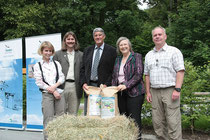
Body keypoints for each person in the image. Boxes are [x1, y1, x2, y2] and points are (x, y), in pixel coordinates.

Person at [144, 26, 185, 140]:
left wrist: (177, 89)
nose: (157, 37)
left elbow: (180, 71)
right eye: (155, 35)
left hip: (170, 90)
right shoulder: (149, 55)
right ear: (152, 38)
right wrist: (148, 92)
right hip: (155, 91)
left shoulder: (174, 51)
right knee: (158, 123)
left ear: (165, 36)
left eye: (159, 34)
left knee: (173, 122)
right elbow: (147, 75)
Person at [112, 37, 145, 140]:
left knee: (134, 119)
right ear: (118, 47)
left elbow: (138, 75)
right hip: (121, 93)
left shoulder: (137, 57)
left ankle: (137, 138)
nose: (123, 46)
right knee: (124, 118)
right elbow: (114, 76)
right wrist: (112, 89)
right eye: (121, 45)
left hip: (135, 93)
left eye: (125, 44)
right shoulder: (118, 59)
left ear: (129, 46)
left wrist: (126, 85)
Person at [80, 27, 117, 115]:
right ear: (93, 37)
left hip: (103, 86)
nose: (98, 37)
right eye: (96, 35)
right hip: (89, 86)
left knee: (103, 112)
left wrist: (106, 84)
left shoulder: (111, 51)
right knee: (89, 112)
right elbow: (82, 68)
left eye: (100, 35)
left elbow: (114, 70)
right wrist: (83, 83)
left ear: (104, 36)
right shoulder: (87, 50)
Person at [33, 41, 65, 140]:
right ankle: (48, 138)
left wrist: (55, 87)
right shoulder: (37, 66)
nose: (48, 53)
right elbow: (39, 82)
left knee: (61, 117)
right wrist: (53, 91)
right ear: (42, 51)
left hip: (59, 93)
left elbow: (62, 77)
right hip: (47, 95)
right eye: (46, 50)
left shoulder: (56, 63)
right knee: (48, 119)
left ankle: (59, 137)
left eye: (50, 51)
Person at [53, 31, 83, 115]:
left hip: (75, 86)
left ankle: (72, 128)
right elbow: (53, 73)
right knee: (60, 112)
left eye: (72, 39)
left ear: (75, 41)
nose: (70, 41)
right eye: (68, 39)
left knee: (73, 113)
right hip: (61, 86)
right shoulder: (58, 54)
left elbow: (83, 71)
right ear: (65, 41)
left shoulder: (81, 55)